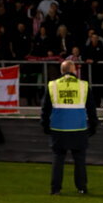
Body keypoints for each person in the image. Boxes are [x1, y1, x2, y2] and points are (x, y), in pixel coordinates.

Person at [41, 59, 97, 195]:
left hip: (58, 129)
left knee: (57, 160)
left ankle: (55, 189)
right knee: (80, 161)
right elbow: (91, 109)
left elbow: (45, 109)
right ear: (74, 71)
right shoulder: (83, 85)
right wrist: (93, 126)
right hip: (79, 129)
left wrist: (45, 126)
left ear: (61, 71)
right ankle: (82, 188)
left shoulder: (52, 85)